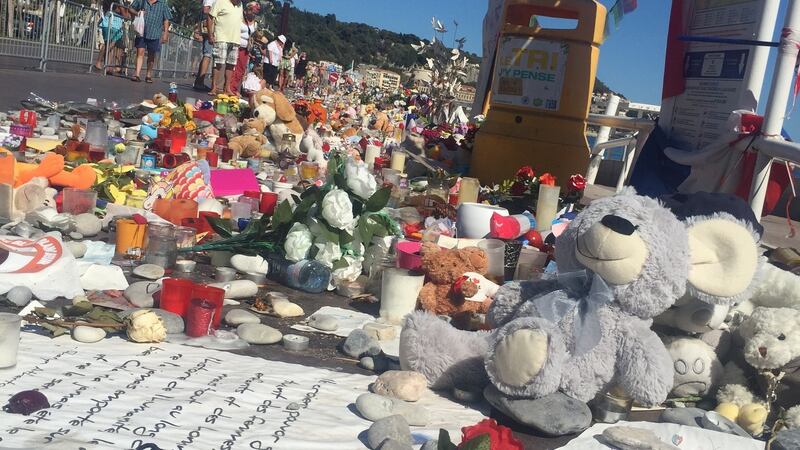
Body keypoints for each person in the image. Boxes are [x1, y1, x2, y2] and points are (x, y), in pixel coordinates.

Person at [128, 0, 172, 83]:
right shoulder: (141, 1)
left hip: (155, 33)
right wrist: (137, 13)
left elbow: (166, 19)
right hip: (141, 31)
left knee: (151, 55)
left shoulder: (162, 3)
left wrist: (166, 32)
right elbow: (130, 9)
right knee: (140, 52)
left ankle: (148, 74)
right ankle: (137, 74)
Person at [207, 0, 243, 95]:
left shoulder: (240, 5)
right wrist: (210, 35)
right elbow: (210, 18)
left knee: (231, 65)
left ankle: (227, 88)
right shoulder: (220, 2)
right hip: (221, 37)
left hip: (235, 39)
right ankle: (214, 87)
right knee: (218, 63)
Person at [230, 2, 259, 95]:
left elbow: (253, 36)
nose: (253, 13)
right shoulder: (240, 18)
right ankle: (227, 87)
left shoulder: (255, 23)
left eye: (255, 12)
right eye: (251, 11)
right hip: (235, 44)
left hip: (246, 48)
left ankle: (234, 88)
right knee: (231, 66)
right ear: (247, 10)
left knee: (241, 69)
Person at [94, 1, 126, 75]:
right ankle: (99, 62)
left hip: (107, 22)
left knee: (110, 45)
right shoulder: (117, 2)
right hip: (113, 23)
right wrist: (123, 9)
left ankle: (108, 66)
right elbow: (122, 12)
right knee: (109, 44)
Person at [193, 0, 216, 91]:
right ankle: (200, 82)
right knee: (207, 55)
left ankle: (199, 81)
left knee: (207, 55)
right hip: (210, 29)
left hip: (209, 28)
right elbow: (205, 10)